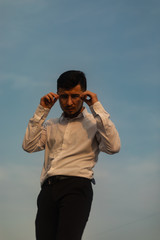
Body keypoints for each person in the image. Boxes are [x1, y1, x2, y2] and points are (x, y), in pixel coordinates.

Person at [22, 70, 121, 240]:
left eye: (75, 96)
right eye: (64, 96)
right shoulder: (51, 124)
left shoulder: (95, 123)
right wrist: (41, 110)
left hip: (77, 187)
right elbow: (29, 145)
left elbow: (113, 147)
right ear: (58, 96)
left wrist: (96, 106)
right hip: (48, 190)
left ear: (84, 96)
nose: (69, 102)